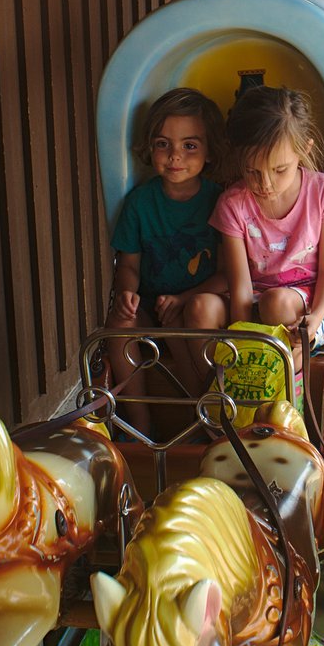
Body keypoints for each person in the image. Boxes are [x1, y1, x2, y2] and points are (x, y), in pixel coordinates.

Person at [187, 86, 324, 373]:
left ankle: (284, 397)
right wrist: (243, 342)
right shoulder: (233, 204)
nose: (266, 184)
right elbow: (240, 285)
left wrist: (315, 317)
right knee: (200, 308)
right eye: (253, 171)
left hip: (308, 304)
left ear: (304, 151)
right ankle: (220, 401)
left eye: (279, 170)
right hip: (253, 297)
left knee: (277, 304)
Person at [106, 87, 227, 431]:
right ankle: (140, 428)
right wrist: (126, 296)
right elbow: (128, 263)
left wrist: (184, 298)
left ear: (209, 151)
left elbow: (227, 274)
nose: (175, 156)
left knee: (186, 318)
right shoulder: (139, 204)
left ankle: (204, 418)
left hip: (201, 309)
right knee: (119, 327)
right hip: (151, 307)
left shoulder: (220, 201)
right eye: (163, 144)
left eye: (189, 146)